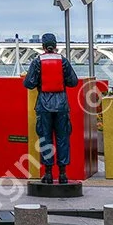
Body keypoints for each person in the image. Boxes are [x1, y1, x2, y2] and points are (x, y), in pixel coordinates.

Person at [22, 32, 79, 183]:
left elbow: (28, 83)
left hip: (43, 105)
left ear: (42, 46)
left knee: (45, 139)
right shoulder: (64, 61)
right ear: (55, 45)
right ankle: (62, 174)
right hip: (61, 105)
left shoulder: (37, 61)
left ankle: (47, 173)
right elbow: (73, 82)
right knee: (62, 138)